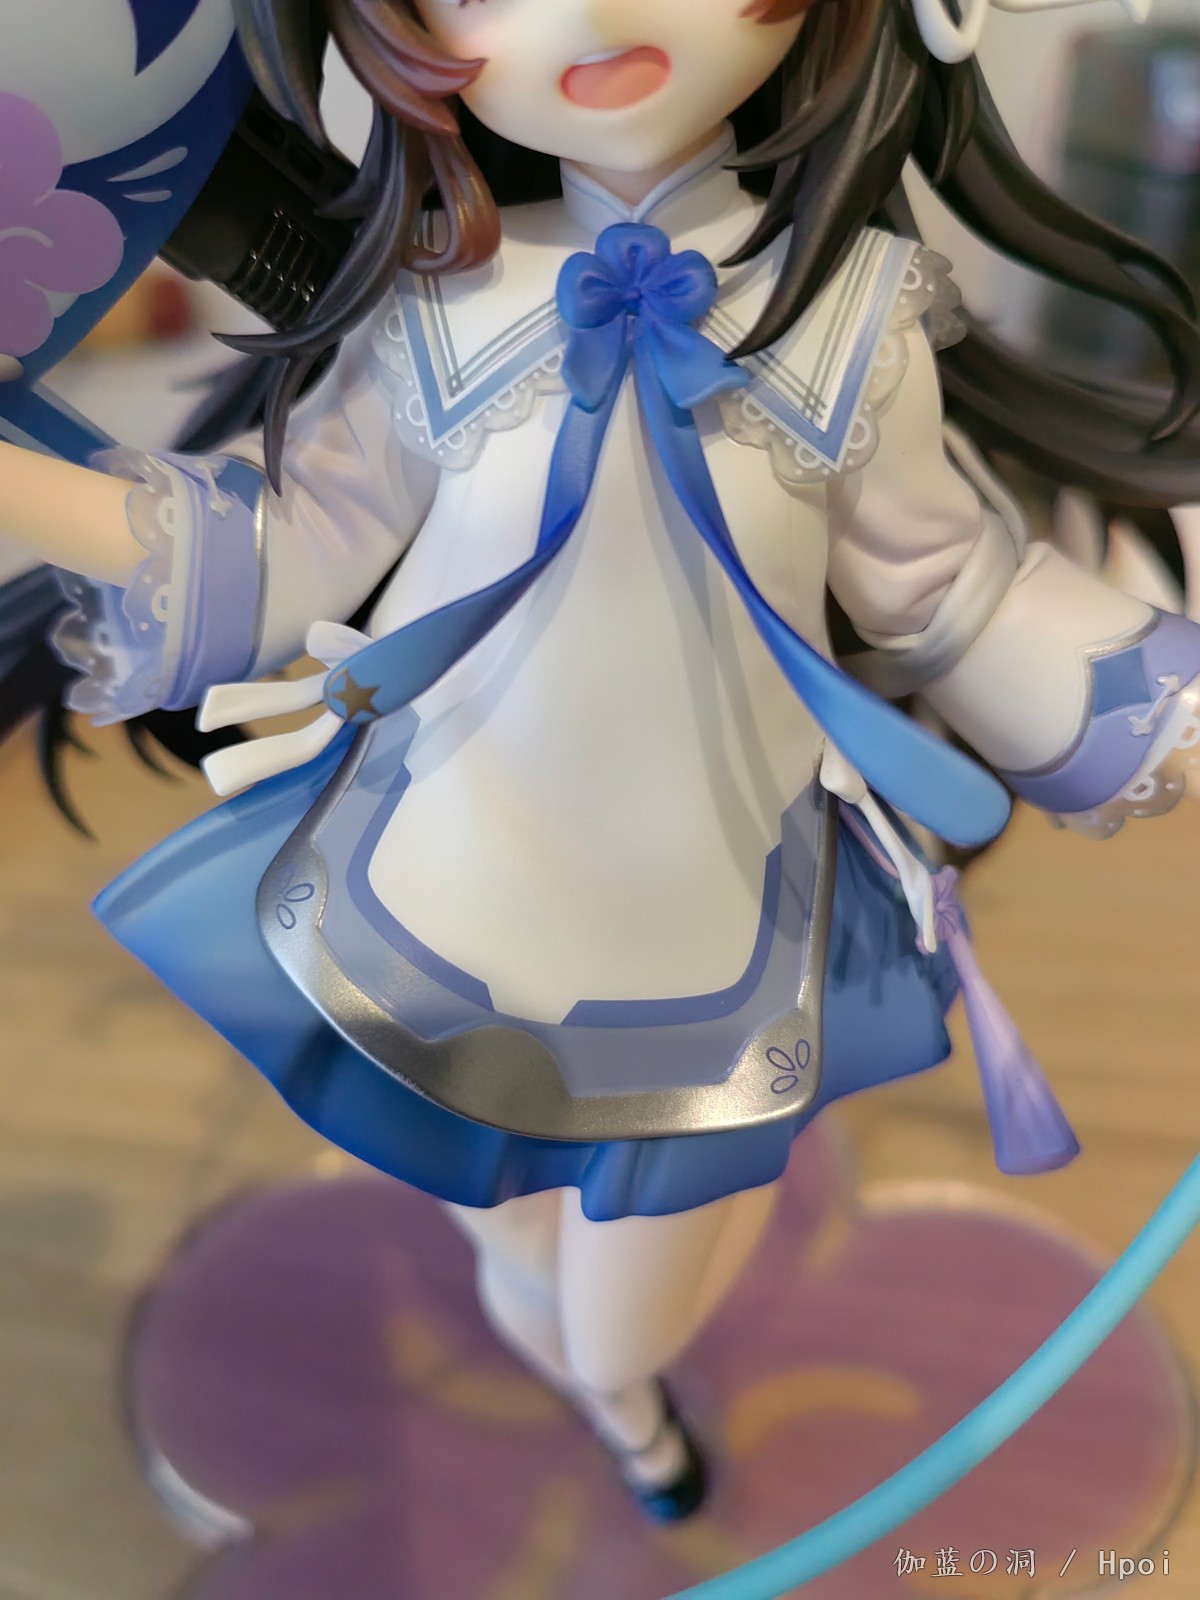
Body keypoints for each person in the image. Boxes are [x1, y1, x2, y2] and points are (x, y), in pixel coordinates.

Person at [2, 0, 1198, 1519]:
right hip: (445, 884)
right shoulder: (441, 307)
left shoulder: (848, 318)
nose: (591, 10)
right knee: (500, 1218)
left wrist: (1156, 703)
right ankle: (616, 1402)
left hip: (701, 921)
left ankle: (623, 1385)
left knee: (619, 1318)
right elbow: (293, 541)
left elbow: (946, 588)